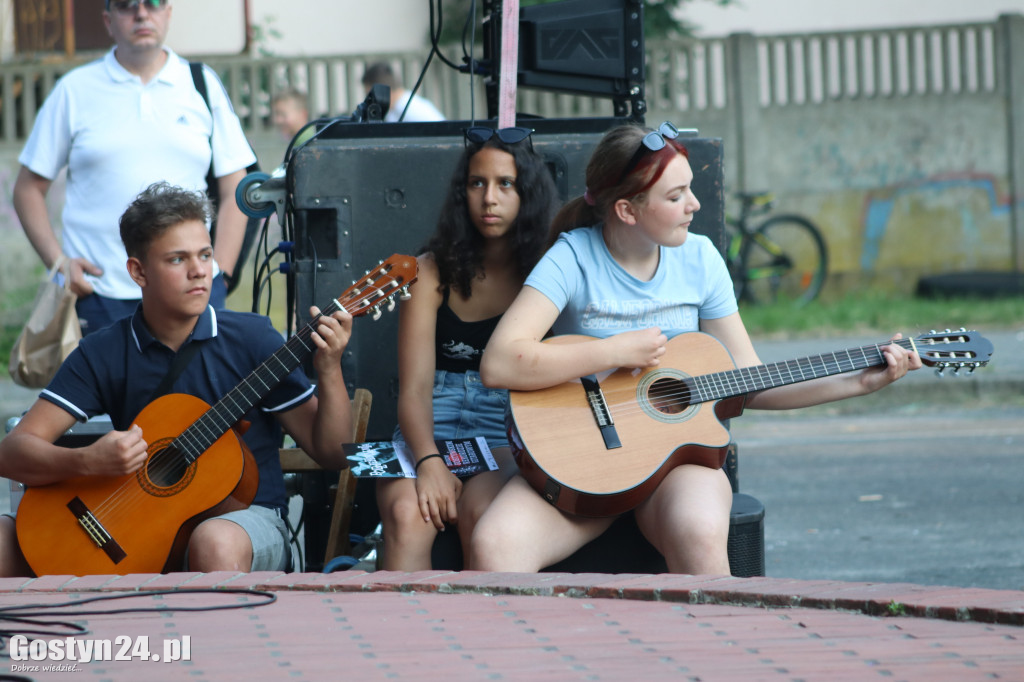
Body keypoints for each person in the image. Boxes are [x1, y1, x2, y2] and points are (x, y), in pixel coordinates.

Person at [471, 121, 923, 575]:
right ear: (628, 210)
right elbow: (500, 361)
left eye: (690, 189)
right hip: (580, 465)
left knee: (700, 530)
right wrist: (613, 353)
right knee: (495, 546)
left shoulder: (701, 259)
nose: (695, 204)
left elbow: (750, 382)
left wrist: (860, 381)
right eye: (676, 196)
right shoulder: (573, 257)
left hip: (677, 468)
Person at [0, 183, 353, 577]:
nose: (199, 270)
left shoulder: (254, 340)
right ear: (138, 271)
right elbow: (12, 453)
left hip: (248, 522)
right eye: (177, 259)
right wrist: (86, 461)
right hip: (135, 526)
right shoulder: (104, 351)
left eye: (205, 254)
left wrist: (329, 368)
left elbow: (333, 454)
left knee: (214, 540)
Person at [13, 0, 255, 336]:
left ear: (167, 14)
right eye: (127, 6)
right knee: (109, 391)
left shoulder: (201, 84)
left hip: (193, 290)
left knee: (195, 391)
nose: (142, 13)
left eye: (153, 3)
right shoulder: (75, 89)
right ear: (108, 21)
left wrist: (221, 273)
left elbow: (236, 190)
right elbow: (28, 189)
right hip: (100, 294)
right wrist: (60, 264)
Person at [376, 126, 559, 570]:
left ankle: (479, 638)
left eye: (505, 184)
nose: (489, 198)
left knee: (485, 516)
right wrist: (428, 461)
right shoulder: (429, 271)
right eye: (477, 183)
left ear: (527, 194)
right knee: (407, 512)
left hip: (502, 426)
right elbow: (414, 390)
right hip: (426, 422)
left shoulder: (548, 271)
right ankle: (396, 639)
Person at [361, 61, 445, 123]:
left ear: (381, 92)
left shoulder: (411, 110)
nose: (369, 101)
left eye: (370, 96)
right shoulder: (396, 109)